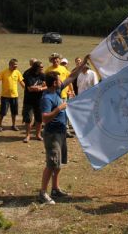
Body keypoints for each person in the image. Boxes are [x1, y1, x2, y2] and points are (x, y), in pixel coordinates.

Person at [39, 59, 87, 205]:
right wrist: (59, 109)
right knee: (51, 163)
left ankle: (55, 189)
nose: (62, 81)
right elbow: (45, 118)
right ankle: (42, 192)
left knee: (58, 164)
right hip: (52, 134)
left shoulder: (57, 91)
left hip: (61, 133)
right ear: (54, 83)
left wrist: (82, 64)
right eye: (59, 80)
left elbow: (71, 77)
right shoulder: (47, 98)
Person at [22, 60, 46, 143]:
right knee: (28, 118)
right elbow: (30, 89)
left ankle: (38, 135)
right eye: (41, 67)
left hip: (39, 100)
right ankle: (27, 135)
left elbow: (47, 86)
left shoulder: (42, 75)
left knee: (39, 118)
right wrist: (40, 86)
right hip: (29, 100)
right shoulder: (28, 75)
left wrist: (40, 88)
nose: (43, 68)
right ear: (36, 68)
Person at [0, 58, 24, 131]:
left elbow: (21, 83)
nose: (16, 66)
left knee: (14, 112)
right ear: (10, 65)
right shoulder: (3, 72)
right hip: (5, 96)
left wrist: (27, 90)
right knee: (3, 111)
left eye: (16, 65)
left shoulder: (17, 72)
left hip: (14, 96)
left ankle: (14, 125)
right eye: (14, 65)